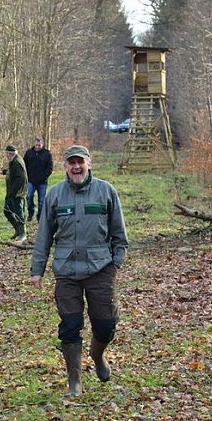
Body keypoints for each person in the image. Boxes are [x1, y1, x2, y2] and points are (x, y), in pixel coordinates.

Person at [30, 145, 128, 397]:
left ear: (89, 164)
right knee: (70, 325)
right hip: (66, 270)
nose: (76, 167)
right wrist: (37, 269)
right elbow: (44, 235)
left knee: (106, 325)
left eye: (80, 162)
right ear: (65, 167)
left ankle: (97, 354)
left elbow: (119, 232)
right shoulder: (55, 195)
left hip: (101, 268)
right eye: (71, 163)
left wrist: (117, 260)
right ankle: (75, 380)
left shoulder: (106, 191)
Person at [23, 136, 53, 221]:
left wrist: (44, 177)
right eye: (36, 145)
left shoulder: (47, 154)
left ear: (42, 145)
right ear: (34, 144)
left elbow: (50, 168)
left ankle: (40, 216)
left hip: (42, 182)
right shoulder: (29, 153)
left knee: (42, 201)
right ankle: (30, 212)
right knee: (29, 197)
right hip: (31, 181)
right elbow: (23, 165)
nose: (37, 147)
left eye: (39, 145)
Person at [3, 145, 28, 243]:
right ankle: (17, 230)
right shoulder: (13, 162)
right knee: (7, 210)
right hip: (11, 192)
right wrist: (3, 172)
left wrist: (14, 192)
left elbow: (21, 178)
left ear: (11, 153)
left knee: (19, 214)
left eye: (8, 154)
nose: (7, 155)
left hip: (18, 193)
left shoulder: (17, 162)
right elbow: (12, 172)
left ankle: (22, 234)